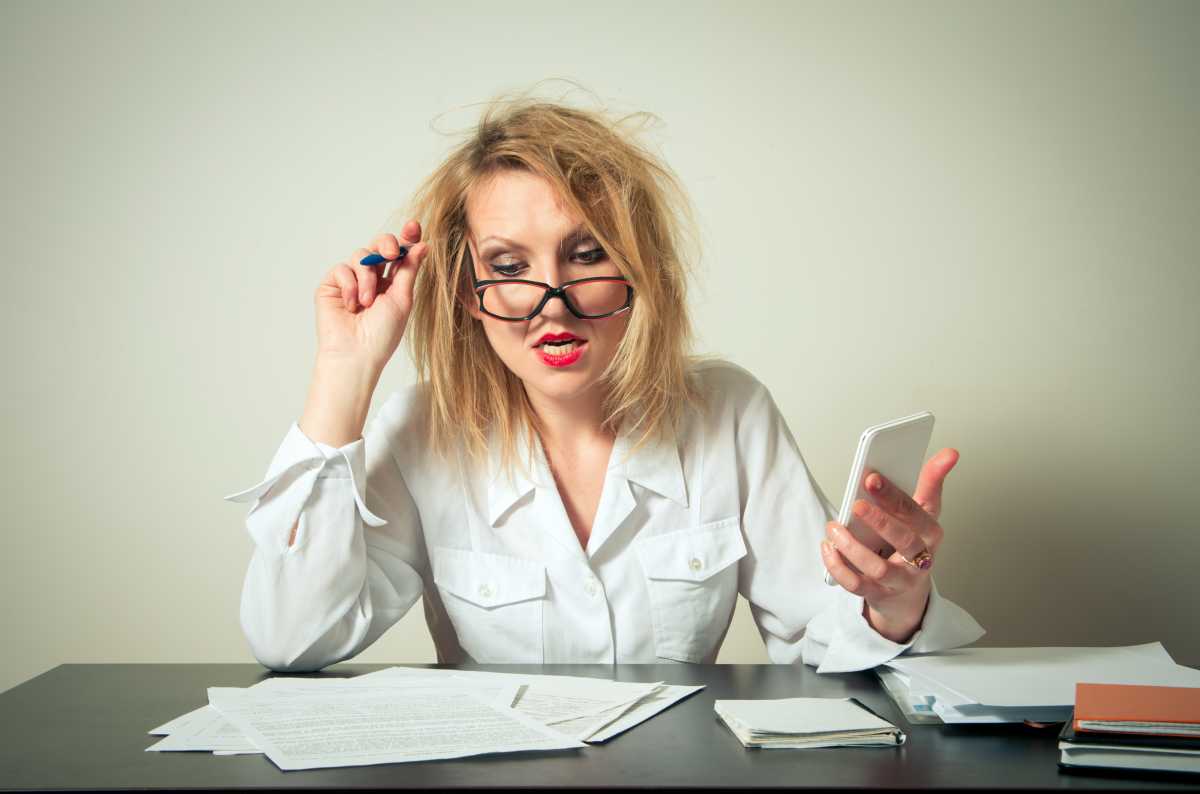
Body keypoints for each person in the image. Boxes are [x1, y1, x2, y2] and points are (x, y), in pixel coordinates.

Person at [224, 92, 984, 673]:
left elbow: (829, 643)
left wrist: (896, 606)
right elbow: (293, 639)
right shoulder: (426, 426)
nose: (553, 303)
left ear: (641, 268)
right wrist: (345, 373)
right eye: (511, 267)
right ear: (466, 291)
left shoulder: (728, 411)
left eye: (587, 255)